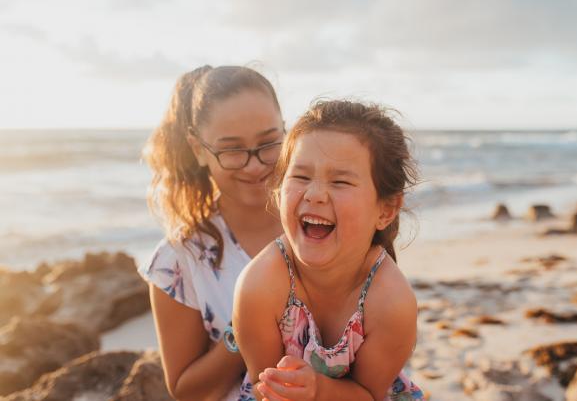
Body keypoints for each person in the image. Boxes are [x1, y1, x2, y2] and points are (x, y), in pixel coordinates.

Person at [233, 100, 424, 401]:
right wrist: (283, 388)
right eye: (301, 176)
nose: (315, 194)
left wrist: (318, 390)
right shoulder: (259, 285)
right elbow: (262, 385)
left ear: (386, 210)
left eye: (340, 181)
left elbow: (369, 394)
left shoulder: (392, 303)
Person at [139, 65, 285, 400]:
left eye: (268, 143)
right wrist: (244, 330)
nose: (254, 165)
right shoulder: (178, 260)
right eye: (232, 149)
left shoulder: (322, 219)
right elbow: (187, 392)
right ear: (199, 149)